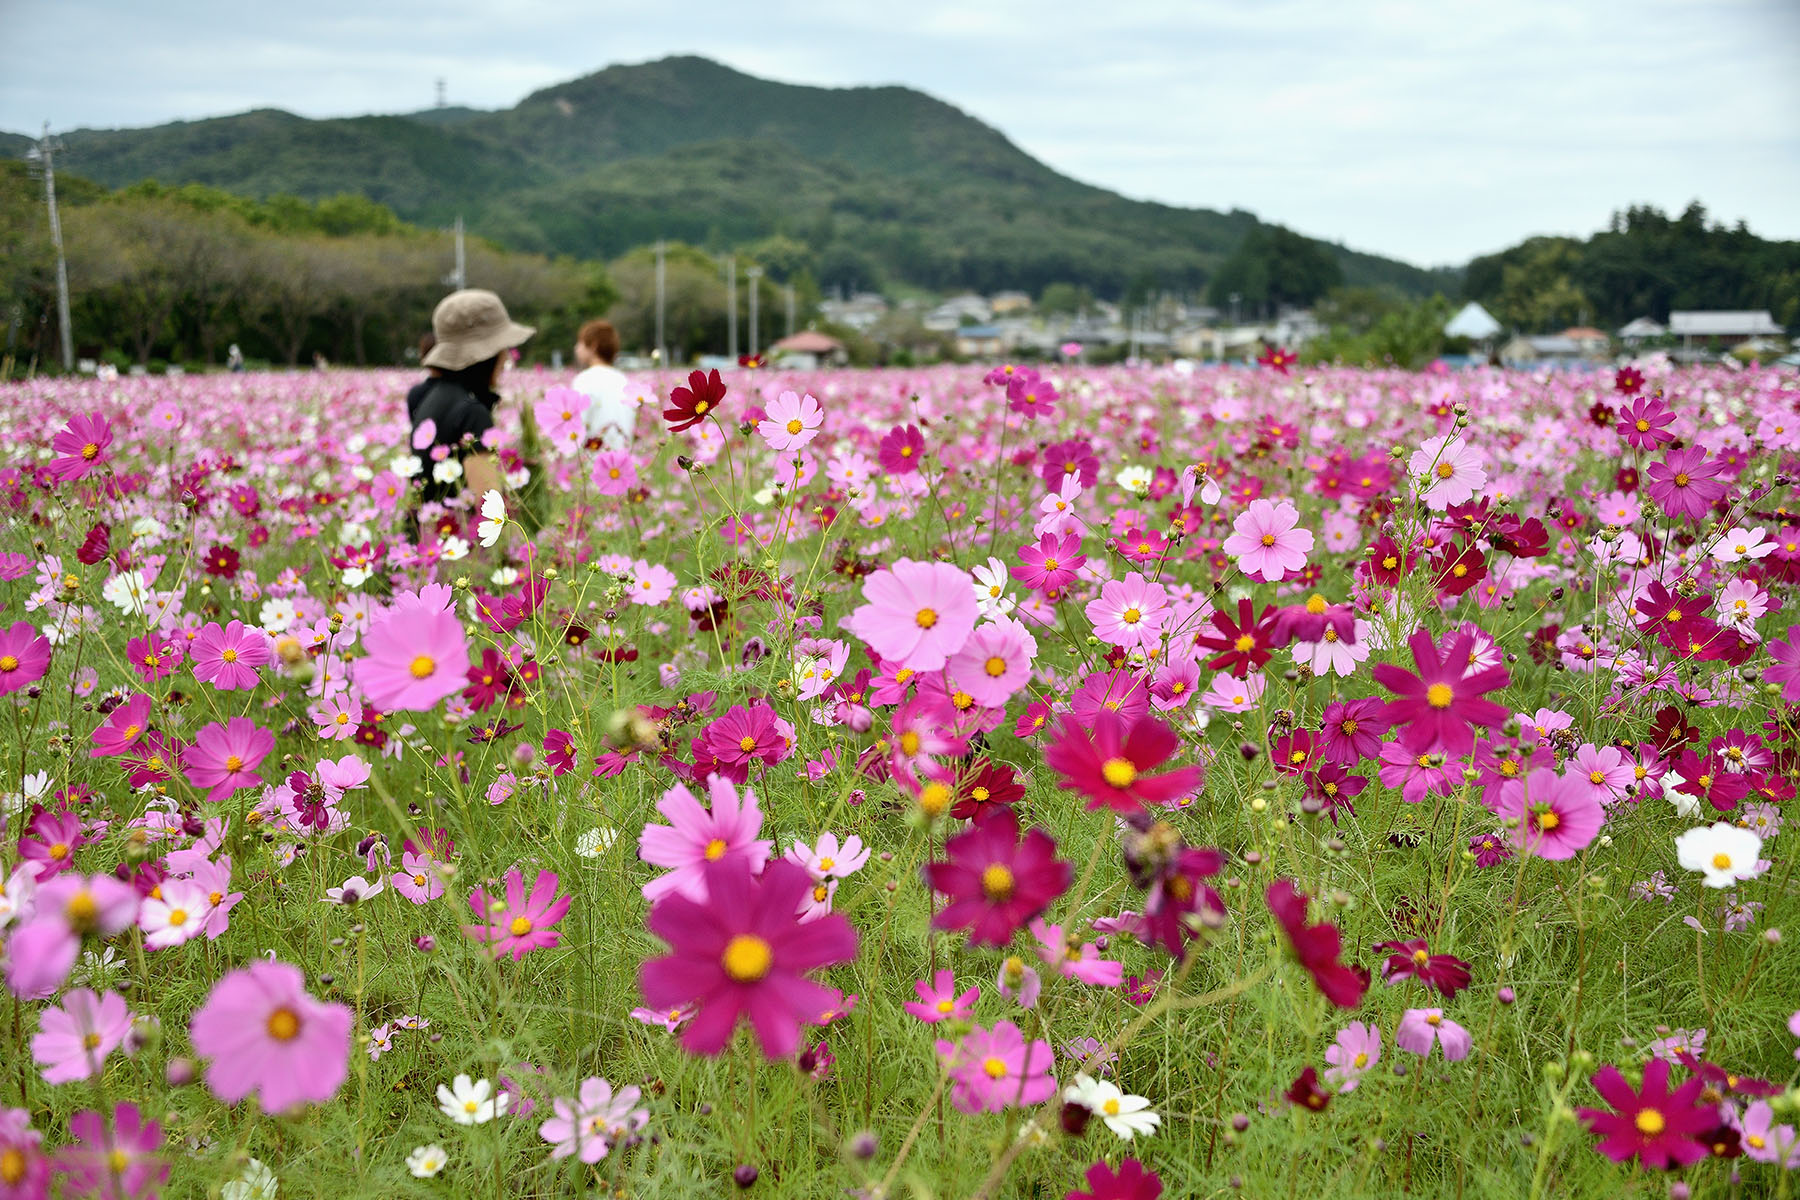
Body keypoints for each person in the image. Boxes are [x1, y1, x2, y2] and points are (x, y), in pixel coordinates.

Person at [408, 289, 534, 508]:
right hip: (458, 538)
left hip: (427, 533)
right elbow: (488, 509)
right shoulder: (472, 413)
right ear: (487, 355)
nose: (506, 357)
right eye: (503, 349)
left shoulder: (432, 396)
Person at [570, 319, 640, 451]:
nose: (576, 348)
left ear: (593, 346)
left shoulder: (584, 380)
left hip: (593, 460)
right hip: (622, 460)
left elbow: (576, 427)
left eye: (580, 343)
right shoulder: (624, 380)